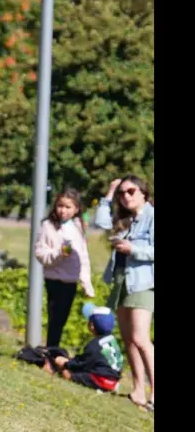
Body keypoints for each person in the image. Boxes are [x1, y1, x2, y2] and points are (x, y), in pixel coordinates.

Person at [93, 175, 154, 412]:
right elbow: (100, 223)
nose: (126, 196)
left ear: (143, 193)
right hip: (121, 280)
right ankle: (138, 389)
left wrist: (133, 249)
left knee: (140, 338)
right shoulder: (126, 218)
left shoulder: (151, 216)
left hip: (143, 282)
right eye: (122, 193)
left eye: (130, 191)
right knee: (128, 339)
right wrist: (108, 195)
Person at [33, 188, 95, 348]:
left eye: (68, 207)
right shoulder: (48, 226)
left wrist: (86, 282)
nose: (63, 211)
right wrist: (58, 253)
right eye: (60, 206)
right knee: (55, 317)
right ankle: (51, 351)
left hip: (71, 280)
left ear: (76, 209)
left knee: (62, 318)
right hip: (55, 279)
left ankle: (53, 350)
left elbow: (83, 255)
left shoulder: (77, 226)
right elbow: (40, 253)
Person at [43, 303, 124, 393]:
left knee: (67, 373)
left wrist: (66, 363)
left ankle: (104, 386)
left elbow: (82, 364)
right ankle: (111, 385)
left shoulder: (94, 345)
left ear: (92, 326)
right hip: (114, 379)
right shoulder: (112, 340)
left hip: (100, 379)